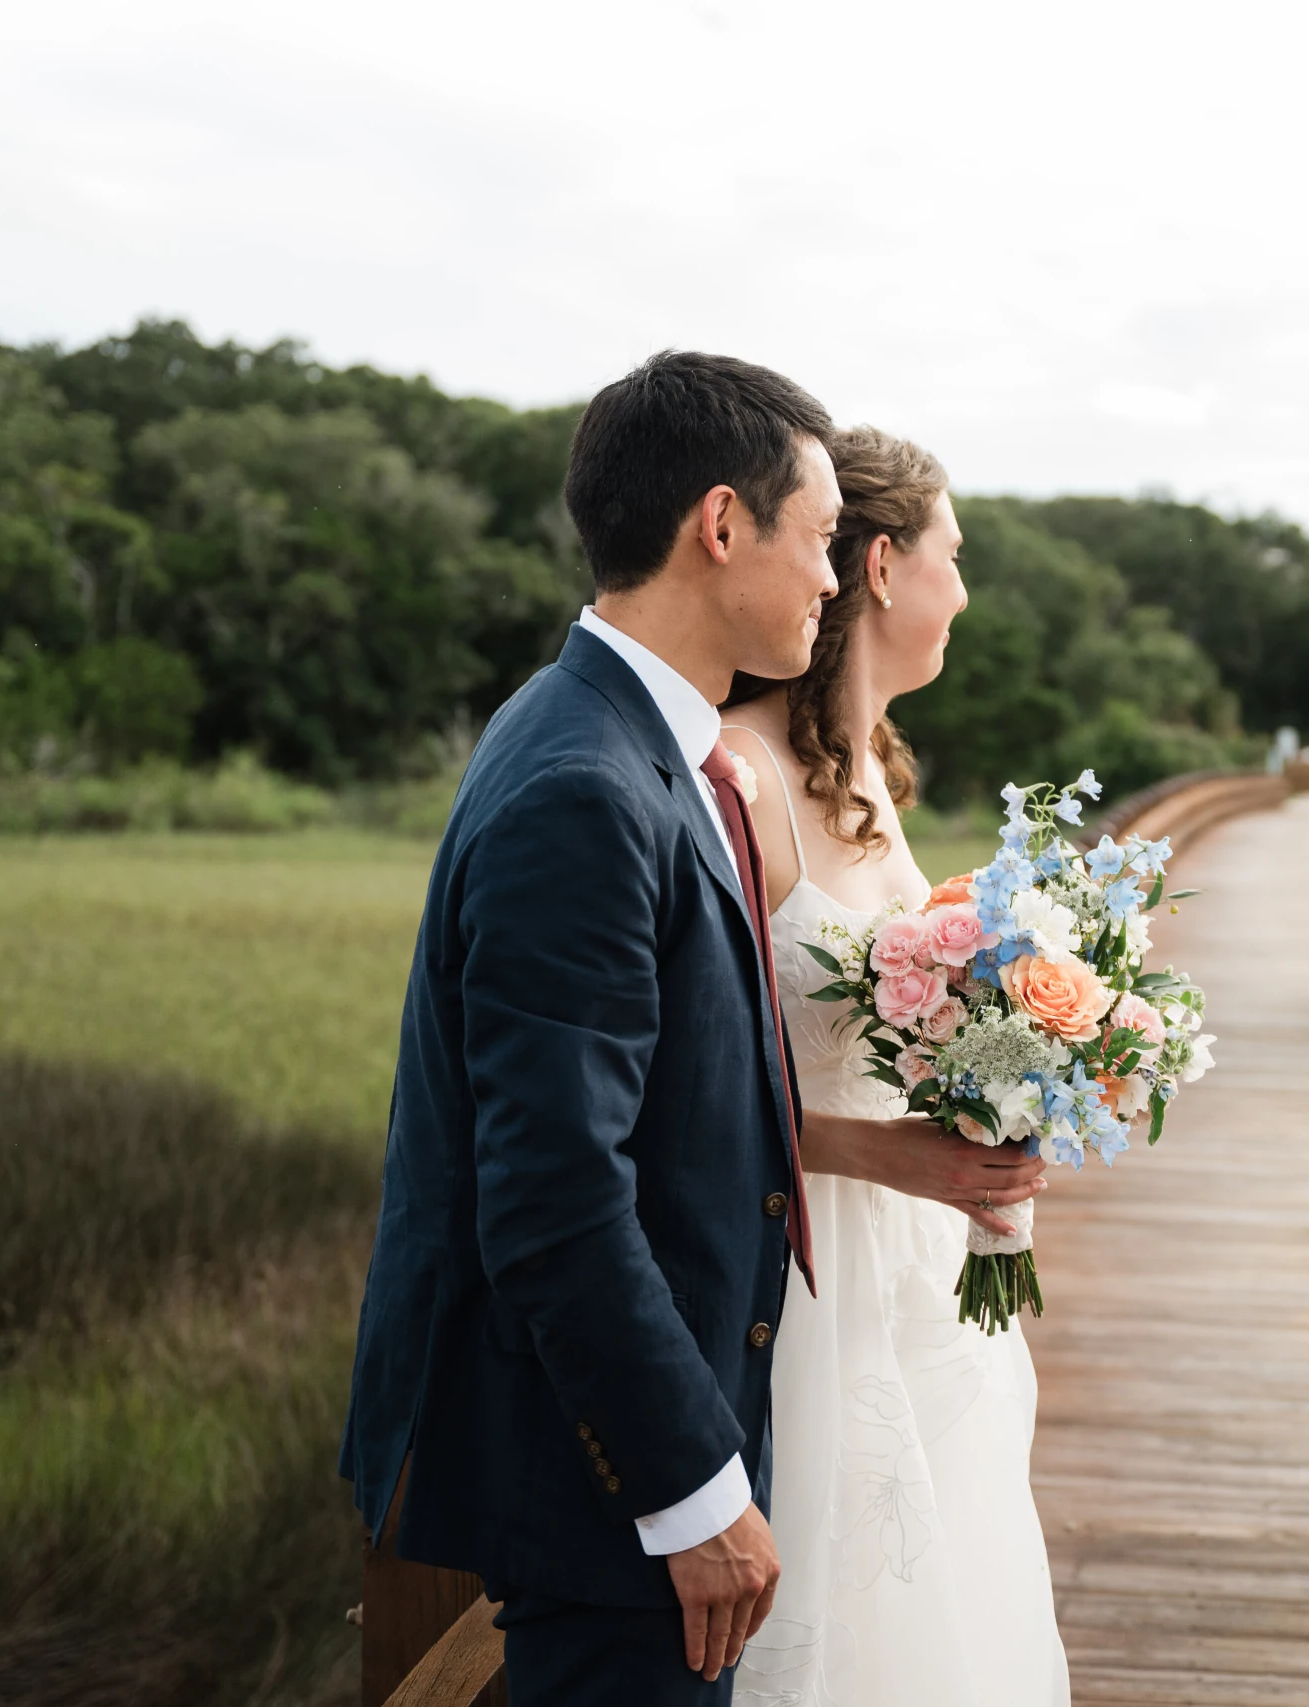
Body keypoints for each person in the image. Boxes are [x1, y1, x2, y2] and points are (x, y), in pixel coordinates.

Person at [340, 354, 1023, 1704]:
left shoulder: (619, 739)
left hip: (646, 1444)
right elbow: (552, 1192)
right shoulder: (587, 785)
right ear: (722, 527)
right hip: (603, 1487)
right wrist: (691, 1491)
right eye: (821, 540)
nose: (835, 581)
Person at [717, 427, 1072, 1705]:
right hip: (808, 1264)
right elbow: (697, 1079)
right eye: (953, 555)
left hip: (914, 1255)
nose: (965, 591)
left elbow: (885, 996)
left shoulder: (867, 767)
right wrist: (881, 1150)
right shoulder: (743, 778)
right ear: (879, 567)